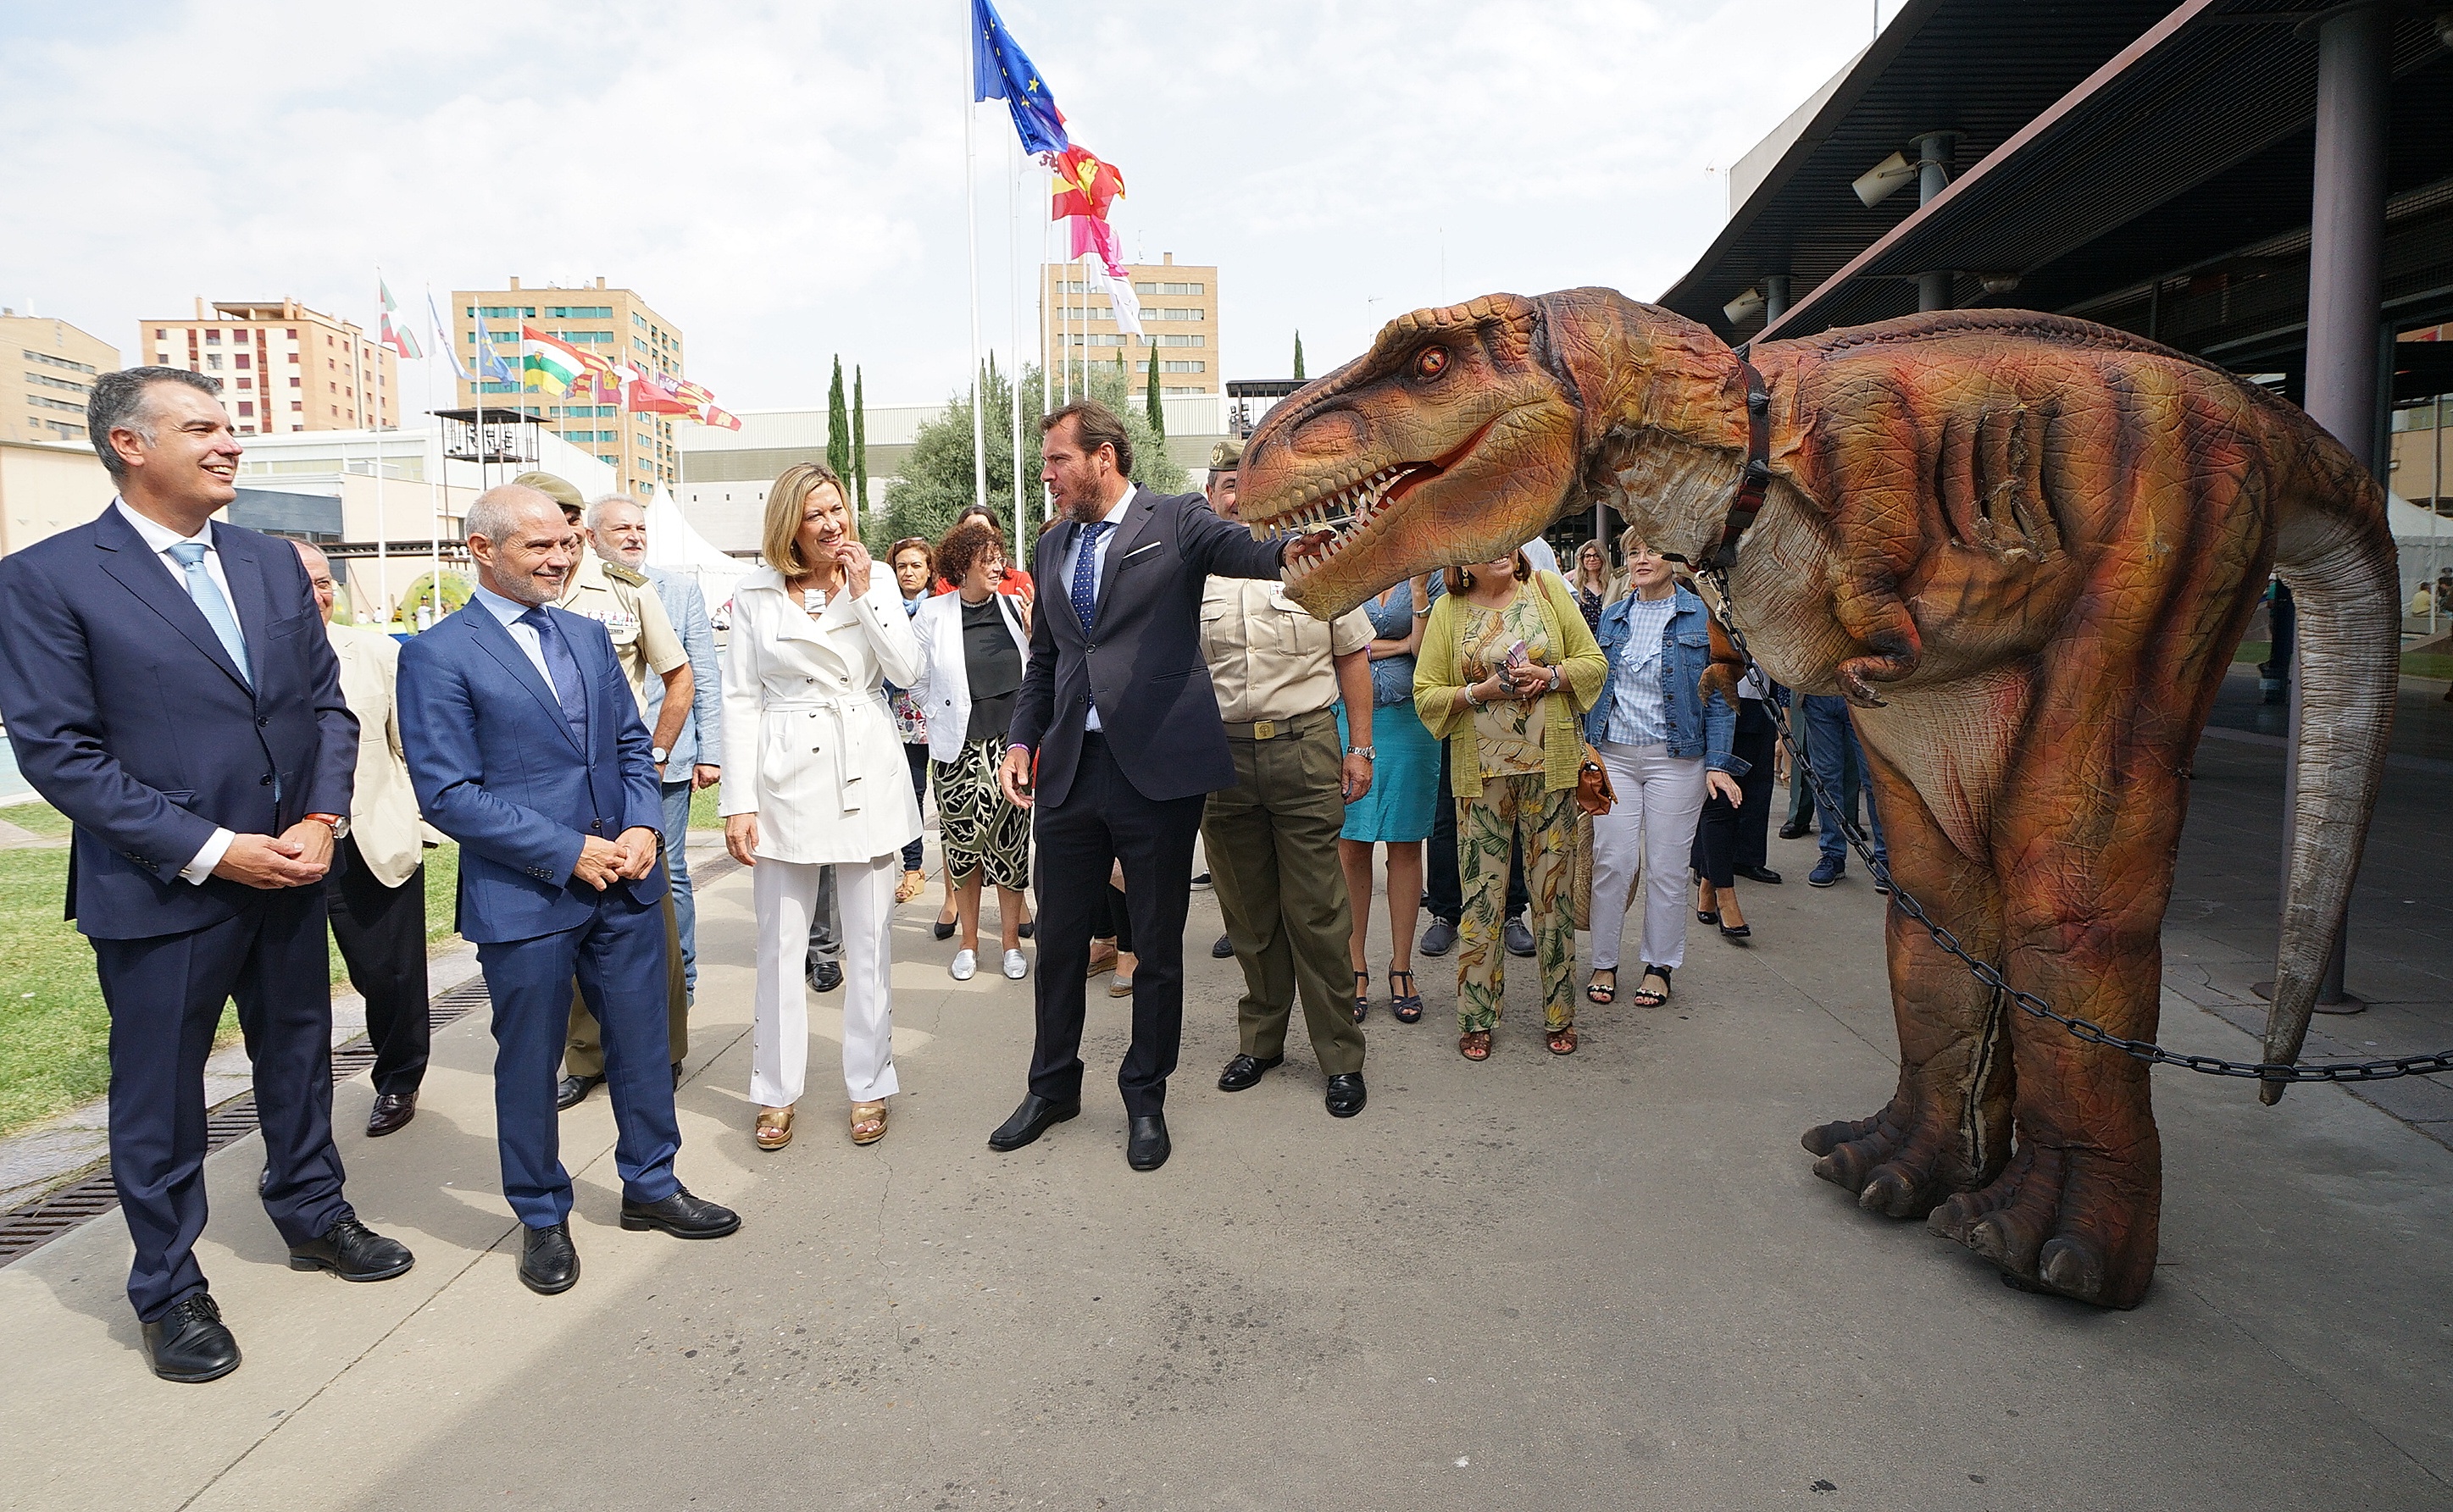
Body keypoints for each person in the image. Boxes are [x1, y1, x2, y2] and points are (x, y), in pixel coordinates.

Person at [0, 368, 413, 1382]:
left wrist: (320, 819)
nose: (231, 444)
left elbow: (326, 707)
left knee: (298, 1058)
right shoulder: (48, 578)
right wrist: (214, 848)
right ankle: (169, 1288)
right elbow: (60, 753)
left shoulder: (269, 563)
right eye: (203, 427)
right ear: (129, 445)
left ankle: (313, 1212)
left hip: (292, 867)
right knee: (162, 1096)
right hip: (163, 888)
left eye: (230, 427)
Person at [399, 483, 738, 1296]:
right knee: (529, 1062)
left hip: (625, 882)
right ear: (482, 550)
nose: (560, 559)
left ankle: (651, 1185)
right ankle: (542, 1214)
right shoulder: (437, 654)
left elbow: (630, 745)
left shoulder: (588, 635)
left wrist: (644, 827)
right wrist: (567, 851)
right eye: (539, 547)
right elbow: (447, 793)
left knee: (643, 1044)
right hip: (526, 899)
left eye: (566, 544)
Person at [988, 400, 1307, 1171]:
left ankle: (1144, 1096)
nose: (1046, 474)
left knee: (1156, 945)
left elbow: (1249, 552)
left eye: (1057, 459)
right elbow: (1046, 663)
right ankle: (1051, 1087)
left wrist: (1303, 546)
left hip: (1155, 770)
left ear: (1103, 457)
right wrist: (1022, 741)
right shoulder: (1051, 542)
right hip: (1070, 770)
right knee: (1059, 941)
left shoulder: (1177, 519)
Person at [722, 462, 920, 1153]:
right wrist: (738, 800)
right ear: (789, 525)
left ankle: (870, 1081)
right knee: (780, 945)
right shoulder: (754, 591)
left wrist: (866, 595)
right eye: (816, 514)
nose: (833, 524)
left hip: (862, 761)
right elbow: (739, 697)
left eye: (837, 508)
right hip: (783, 772)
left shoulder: (878, 579)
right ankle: (775, 1090)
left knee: (869, 941)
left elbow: (908, 671)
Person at [1196, 437, 1376, 1117]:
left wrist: (1361, 748)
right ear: (1210, 497)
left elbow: (1352, 655)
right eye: (1226, 486)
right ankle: (1261, 1042)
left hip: (1303, 748)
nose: (1237, 499)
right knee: (1248, 914)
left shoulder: (1315, 559)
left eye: (1249, 486)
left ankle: (1340, 1055)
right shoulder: (1192, 573)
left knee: (1318, 913)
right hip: (1221, 757)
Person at [527, 479, 693, 1111]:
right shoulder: (517, 592)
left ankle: (663, 1049)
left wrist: (655, 754)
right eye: (550, 522)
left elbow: (679, 676)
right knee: (567, 917)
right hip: (550, 787)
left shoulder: (625, 589)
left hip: (622, 781)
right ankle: (585, 1055)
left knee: (651, 919)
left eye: (571, 518)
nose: (564, 534)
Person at [1414, 549, 1607, 1059]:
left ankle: (1560, 1014)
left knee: (1553, 896)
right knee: (1482, 897)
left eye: (1507, 541)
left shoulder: (1546, 589)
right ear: (1462, 562)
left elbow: (1593, 663)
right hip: (1479, 778)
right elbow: (1426, 694)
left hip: (1551, 770)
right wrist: (1479, 693)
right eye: (1484, 547)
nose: (1499, 551)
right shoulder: (1448, 611)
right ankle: (1476, 1016)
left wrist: (1550, 676)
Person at [296, 541, 431, 1138]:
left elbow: (411, 747)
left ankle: (400, 1076)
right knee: (291, 991)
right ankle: (297, 1117)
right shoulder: (245, 659)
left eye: (326, 582)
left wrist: (416, 825)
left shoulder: (378, 654)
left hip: (370, 839)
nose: (318, 595)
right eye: (303, 583)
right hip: (285, 848)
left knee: (389, 974)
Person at [1582, 539, 1745, 1010]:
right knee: (1613, 862)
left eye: (1652, 550)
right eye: (1633, 552)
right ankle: (1604, 961)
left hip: (1677, 760)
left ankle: (1659, 965)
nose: (1642, 560)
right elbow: (1595, 687)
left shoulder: (1701, 617)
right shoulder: (1612, 617)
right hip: (1614, 757)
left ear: (1674, 560)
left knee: (1667, 868)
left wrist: (1718, 764)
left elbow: (1721, 696)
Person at [586, 496, 724, 1012]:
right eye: (620, 528)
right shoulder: (574, 592)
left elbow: (700, 674)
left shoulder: (678, 590)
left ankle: (680, 983)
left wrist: (709, 752)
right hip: (594, 765)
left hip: (666, 757)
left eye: (640, 528)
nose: (634, 537)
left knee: (670, 872)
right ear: (591, 537)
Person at [912, 518, 1035, 982]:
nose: (998, 566)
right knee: (963, 849)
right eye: (988, 560)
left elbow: (1038, 669)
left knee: (1011, 846)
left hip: (1010, 749)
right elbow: (915, 679)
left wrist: (1034, 631)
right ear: (963, 566)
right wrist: (938, 710)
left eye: (1000, 558)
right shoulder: (932, 614)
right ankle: (968, 942)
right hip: (958, 749)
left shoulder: (1015, 607)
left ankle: (1010, 943)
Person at [1339, 572, 1438, 1024]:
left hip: (1410, 719)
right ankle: (1354, 968)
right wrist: (1401, 645)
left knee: (1406, 844)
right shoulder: (1347, 569)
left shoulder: (1429, 576)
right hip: (1347, 714)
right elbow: (1335, 648)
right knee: (1350, 845)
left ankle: (1402, 968)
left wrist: (1417, 593)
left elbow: (1428, 651)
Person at [1691, 664, 1784, 936]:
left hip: (1759, 696)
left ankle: (1709, 880)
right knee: (1720, 800)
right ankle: (1725, 895)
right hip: (1716, 694)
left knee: (1747, 795)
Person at [886, 537, 937, 902]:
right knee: (912, 793)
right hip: (903, 715)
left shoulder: (941, 607)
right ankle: (913, 867)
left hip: (940, 711)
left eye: (916, 565)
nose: (908, 572)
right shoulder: (885, 609)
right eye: (901, 566)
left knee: (952, 797)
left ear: (929, 570)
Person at [1802, 691, 1890, 889]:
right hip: (1817, 691)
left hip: (1863, 691)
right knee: (1825, 779)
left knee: (1874, 779)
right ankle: (1832, 854)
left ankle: (1886, 857)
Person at [1568, 540, 1610, 632]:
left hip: (1607, 634)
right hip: (1583, 635)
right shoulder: (1573, 586)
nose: (1592, 559)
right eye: (1587, 556)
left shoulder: (1612, 584)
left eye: (1596, 556)